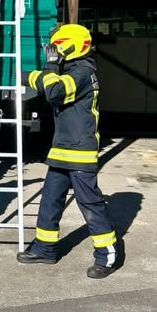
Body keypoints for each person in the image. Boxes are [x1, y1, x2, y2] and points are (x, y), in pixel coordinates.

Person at [17, 24, 119, 278]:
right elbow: (46, 81)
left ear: (70, 47)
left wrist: (50, 65)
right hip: (63, 149)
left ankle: (107, 255)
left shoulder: (82, 72)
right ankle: (45, 249)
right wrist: (22, 76)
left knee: (90, 204)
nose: (53, 52)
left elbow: (54, 92)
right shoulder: (70, 70)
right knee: (50, 200)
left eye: (56, 47)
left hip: (80, 151)